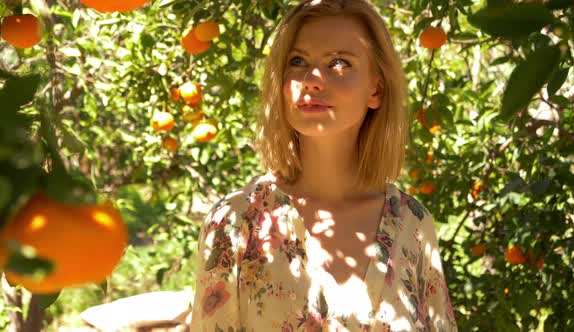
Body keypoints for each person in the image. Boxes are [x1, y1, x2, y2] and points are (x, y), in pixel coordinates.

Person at [190, 0, 458, 331]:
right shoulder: (236, 223)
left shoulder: (412, 224)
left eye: (340, 62)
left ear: (376, 88)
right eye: (298, 61)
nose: (313, 79)